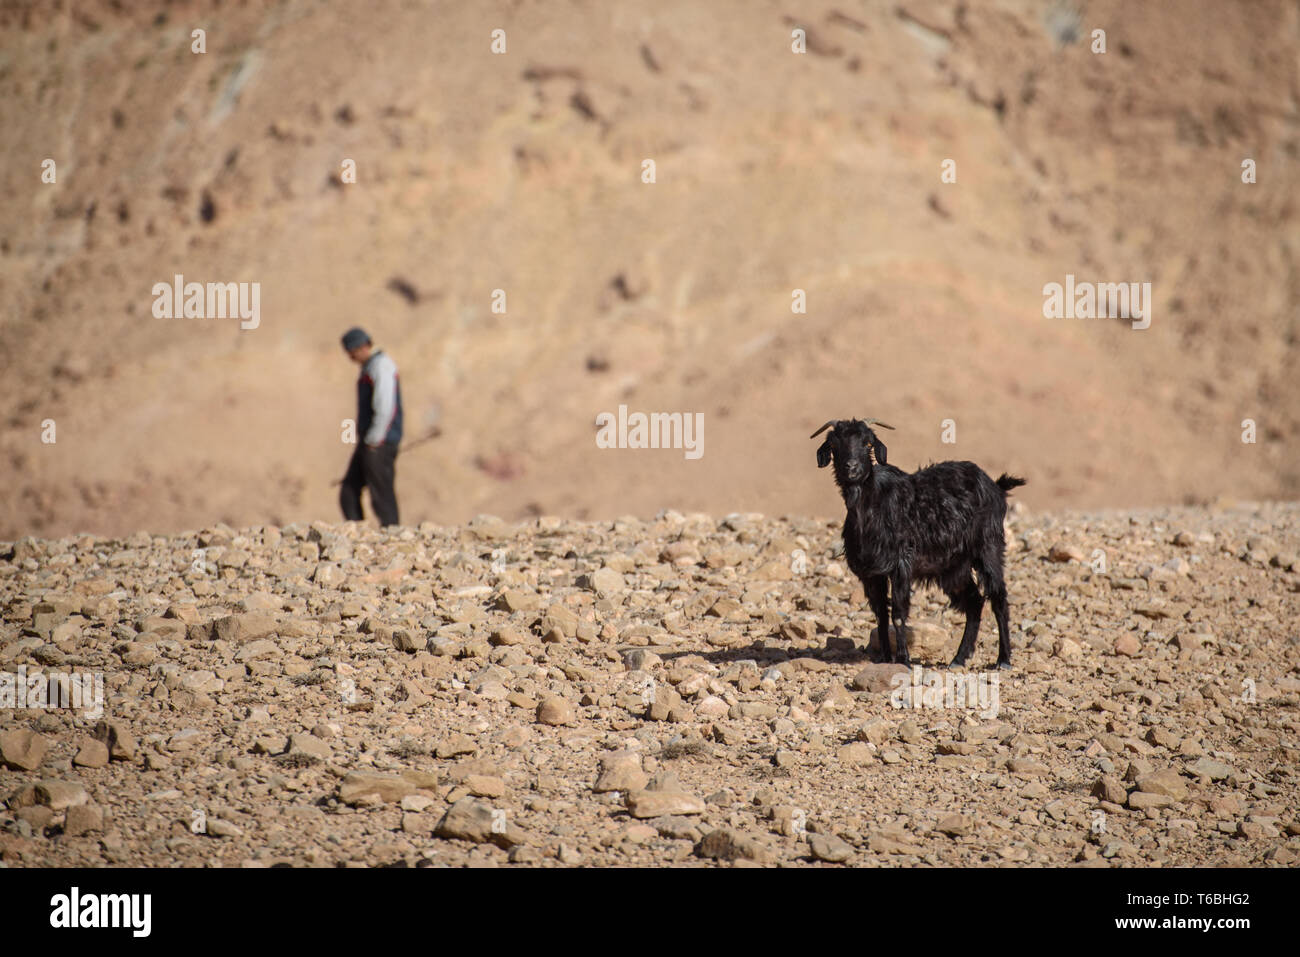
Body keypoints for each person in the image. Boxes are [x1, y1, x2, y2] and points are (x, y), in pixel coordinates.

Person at [338, 327, 402, 526]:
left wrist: (375, 439)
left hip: (378, 443)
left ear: (362, 347)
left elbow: (385, 407)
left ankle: (394, 538)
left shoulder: (381, 366)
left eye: (352, 353)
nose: (351, 358)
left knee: (381, 496)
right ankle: (358, 536)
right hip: (370, 442)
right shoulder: (371, 366)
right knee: (348, 491)